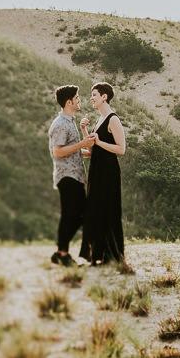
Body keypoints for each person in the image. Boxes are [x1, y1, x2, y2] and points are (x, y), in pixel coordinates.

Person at [79, 81, 129, 269]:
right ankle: (96, 256)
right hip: (96, 171)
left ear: (104, 97)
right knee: (94, 212)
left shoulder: (112, 119)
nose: (91, 98)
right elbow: (92, 151)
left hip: (108, 173)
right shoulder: (99, 120)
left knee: (107, 211)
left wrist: (98, 143)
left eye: (94, 94)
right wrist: (83, 131)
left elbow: (121, 149)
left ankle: (111, 256)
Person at [47, 85, 97, 266]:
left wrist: (87, 151)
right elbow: (58, 152)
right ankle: (62, 253)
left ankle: (66, 252)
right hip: (67, 177)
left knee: (79, 215)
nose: (79, 100)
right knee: (72, 216)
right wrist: (82, 144)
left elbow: (71, 151)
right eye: (77, 97)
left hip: (75, 176)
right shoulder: (60, 124)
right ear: (69, 102)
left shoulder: (69, 122)